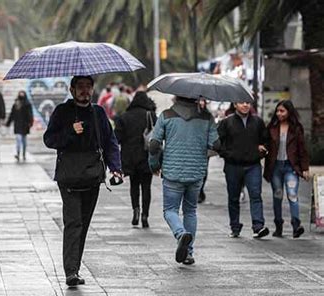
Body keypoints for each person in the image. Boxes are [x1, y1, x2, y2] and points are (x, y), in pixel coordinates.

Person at [44, 75, 122, 287]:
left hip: (92, 176)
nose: (85, 91)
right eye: (80, 87)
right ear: (72, 90)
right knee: (73, 223)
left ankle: (75, 268)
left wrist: (116, 168)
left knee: (84, 224)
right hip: (68, 177)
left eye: (88, 87)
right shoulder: (62, 112)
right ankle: (70, 271)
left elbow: (110, 142)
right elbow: (49, 139)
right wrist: (71, 131)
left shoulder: (98, 113)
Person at [149, 96, 219, 265]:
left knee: (170, 210)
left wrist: (154, 165)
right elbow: (216, 145)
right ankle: (188, 253)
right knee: (190, 211)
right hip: (196, 172)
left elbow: (153, 145)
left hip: (173, 172)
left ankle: (180, 234)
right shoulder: (206, 117)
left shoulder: (166, 115)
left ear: (175, 97)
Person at [217, 101, 270, 239]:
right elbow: (217, 142)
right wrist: (227, 154)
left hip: (253, 165)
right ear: (235, 105)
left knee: (255, 194)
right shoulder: (226, 123)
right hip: (232, 165)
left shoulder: (258, 122)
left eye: (248, 103)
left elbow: (266, 140)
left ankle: (258, 226)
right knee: (234, 197)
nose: (245, 105)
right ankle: (235, 227)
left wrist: (262, 149)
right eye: (241, 103)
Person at [264, 100, 309, 238]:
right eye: (277, 111)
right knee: (277, 196)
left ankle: (296, 225)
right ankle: (278, 226)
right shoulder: (272, 127)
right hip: (276, 167)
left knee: (292, 195)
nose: (279, 113)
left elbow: (302, 149)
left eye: (282, 111)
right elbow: (265, 144)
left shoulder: (296, 128)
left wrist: (305, 168)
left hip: (291, 167)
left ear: (289, 112)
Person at [114, 90, 156, 227]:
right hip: (146, 156)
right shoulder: (151, 116)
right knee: (146, 187)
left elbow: (117, 138)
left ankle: (136, 210)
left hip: (130, 157)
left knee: (134, 186)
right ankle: (145, 215)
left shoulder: (124, 117)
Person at [6, 90, 34, 162]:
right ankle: (18, 154)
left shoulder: (27, 104)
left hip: (25, 125)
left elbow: (30, 114)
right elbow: (12, 114)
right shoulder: (16, 104)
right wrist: (8, 123)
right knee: (18, 140)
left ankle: (24, 154)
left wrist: (30, 122)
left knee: (24, 141)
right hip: (18, 124)